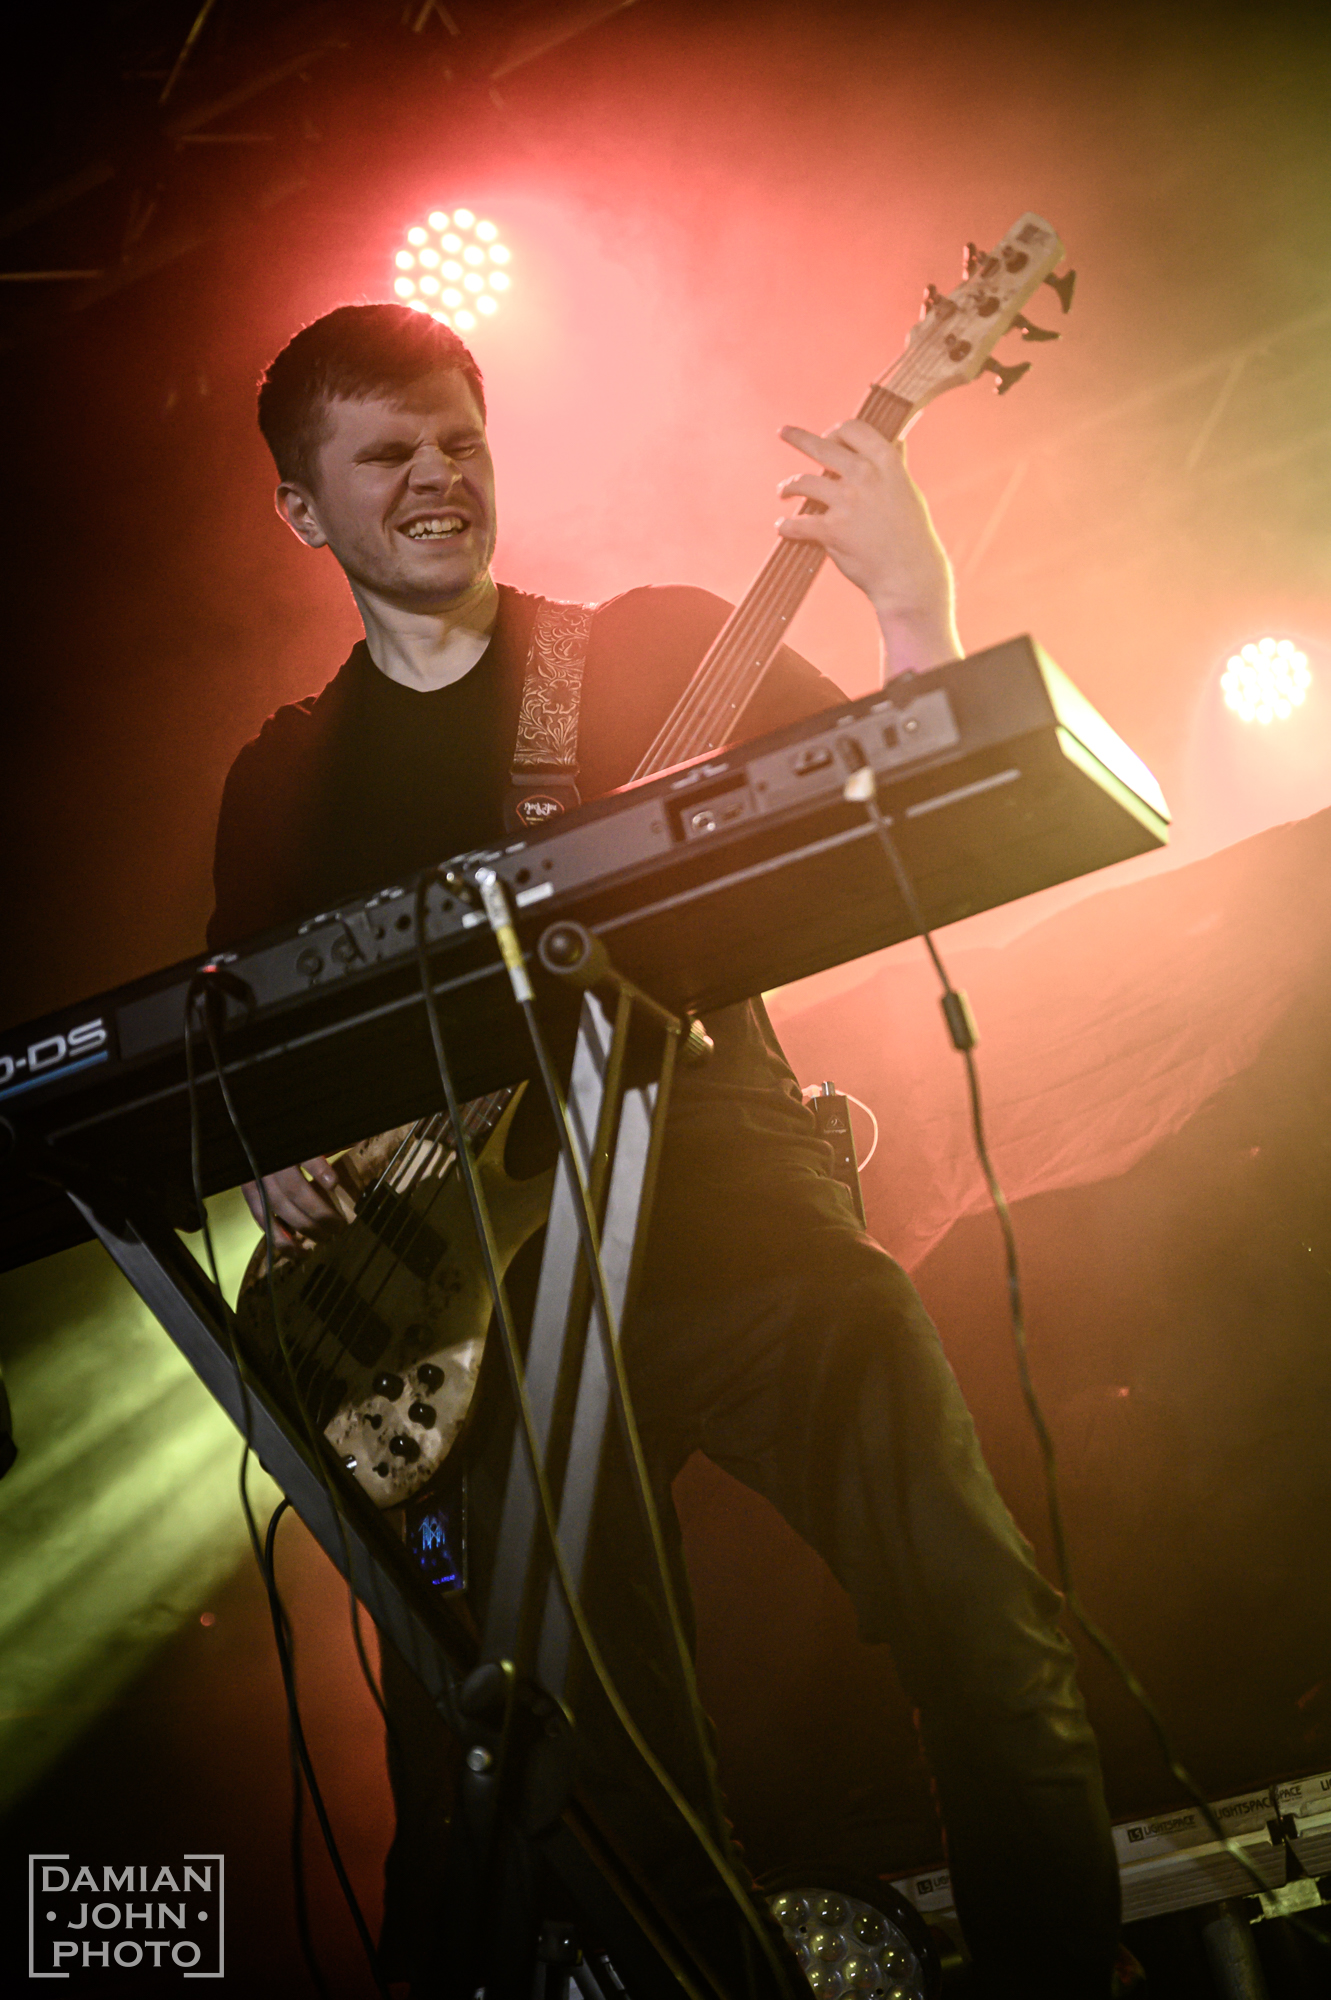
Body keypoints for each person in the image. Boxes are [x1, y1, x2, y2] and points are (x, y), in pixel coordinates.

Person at [209, 303, 1123, 1998]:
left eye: (460, 441)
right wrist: (272, 1152)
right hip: (494, 1307)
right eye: (387, 454)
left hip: (729, 1208)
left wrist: (908, 598)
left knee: (991, 1641)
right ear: (301, 509)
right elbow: (241, 1057)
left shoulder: (644, 648)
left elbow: (927, 811)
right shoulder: (285, 778)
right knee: (602, 1790)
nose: (436, 476)